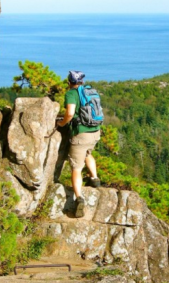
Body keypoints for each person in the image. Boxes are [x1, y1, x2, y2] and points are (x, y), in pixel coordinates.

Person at [56, 70, 101, 218]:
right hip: (95, 132)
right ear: (81, 81)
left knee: (76, 167)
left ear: (69, 82)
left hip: (81, 134)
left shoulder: (71, 94)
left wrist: (61, 124)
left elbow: (70, 113)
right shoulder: (89, 91)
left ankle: (78, 198)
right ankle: (94, 178)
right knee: (88, 153)